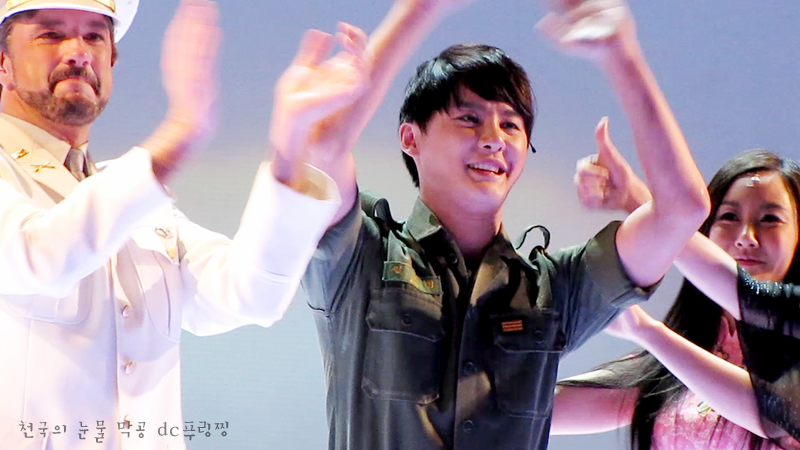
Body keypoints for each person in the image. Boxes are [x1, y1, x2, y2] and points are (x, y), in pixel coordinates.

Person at [297, 0, 711, 448]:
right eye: (469, 119)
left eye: (511, 125)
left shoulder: (554, 288)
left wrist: (622, 55)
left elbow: (683, 210)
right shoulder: (362, 256)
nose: (494, 139)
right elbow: (322, 146)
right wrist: (419, 10)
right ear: (411, 138)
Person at [0, 0, 373, 448]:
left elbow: (252, 294)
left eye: (95, 36)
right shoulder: (105, 190)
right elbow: (42, 255)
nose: (78, 51)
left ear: (112, 60)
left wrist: (292, 142)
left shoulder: (139, 207)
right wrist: (181, 130)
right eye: (52, 34)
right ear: (3, 63)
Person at [552, 149, 800, 450]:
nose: (746, 237)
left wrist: (637, 200)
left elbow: (772, 413)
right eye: (729, 216)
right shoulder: (673, 358)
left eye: (770, 218)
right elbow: (531, 410)